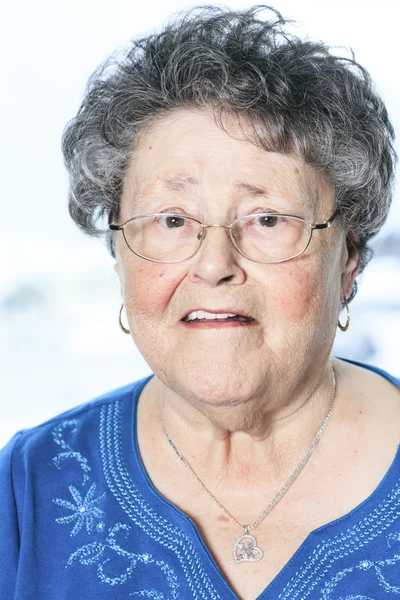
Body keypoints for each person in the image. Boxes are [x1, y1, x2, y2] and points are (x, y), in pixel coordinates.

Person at [1, 5, 399, 599]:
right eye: (172, 219)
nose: (214, 265)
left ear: (349, 257)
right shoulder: (29, 486)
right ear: (119, 252)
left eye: (267, 219)